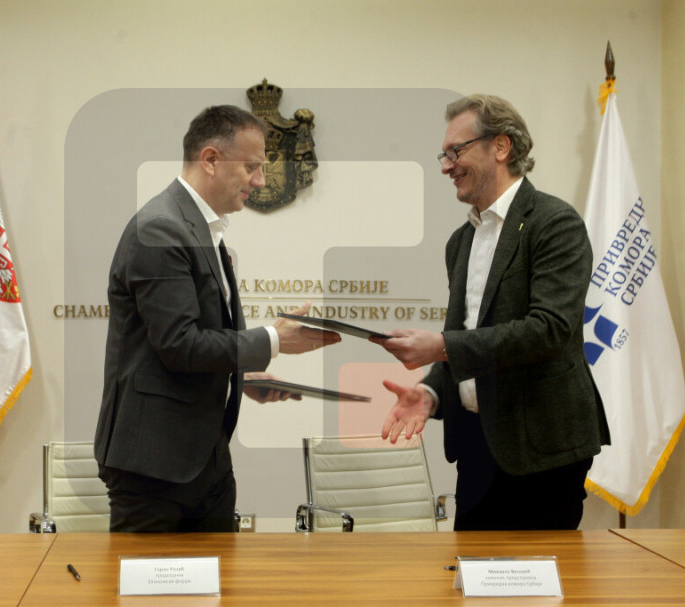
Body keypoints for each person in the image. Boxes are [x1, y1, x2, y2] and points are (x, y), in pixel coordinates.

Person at [94, 105, 340, 532]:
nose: (259, 181)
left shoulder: (202, 228)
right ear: (210, 159)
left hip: (206, 460)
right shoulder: (160, 228)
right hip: (154, 466)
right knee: (152, 581)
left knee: (218, 577)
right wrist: (274, 339)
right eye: (252, 167)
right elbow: (180, 345)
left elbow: (196, 339)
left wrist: (242, 376)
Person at [370, 94, 610, 531]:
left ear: (501, 146)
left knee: (537, 575)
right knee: (470, 571)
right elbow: (467, 336)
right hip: (477, 448)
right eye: (444, 155)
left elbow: (549, 330)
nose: (446, 166)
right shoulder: (461, 241)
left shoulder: (555, 223)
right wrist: (432, 392)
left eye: (456, 151)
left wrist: (441, 347)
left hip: (542, 451)